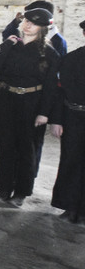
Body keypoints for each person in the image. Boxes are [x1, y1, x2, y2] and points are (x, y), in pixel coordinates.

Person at [0, 8, 60, 207]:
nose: (28, 25)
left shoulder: (49, 53)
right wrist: (6, 46)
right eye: (27, 21)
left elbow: (51, 87)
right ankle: (4, 187)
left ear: (43, 28)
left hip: (32, 101)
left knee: (27, 149)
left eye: (34, 23)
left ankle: (21, 191)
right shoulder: (12, 45)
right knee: (5, 145)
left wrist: (44, 113)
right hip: (7, 98)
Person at [50, 19, 85, 223]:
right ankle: (70, 206)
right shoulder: (71, 59)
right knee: (70, 162)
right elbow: (59, 92)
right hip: (73, 116)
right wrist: (57, 120)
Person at [2, 0, 67, 57]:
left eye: (30, 18)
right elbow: (7, 36)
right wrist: (15, 22)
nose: (27, 22)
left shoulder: (58, 42)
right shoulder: (28, 34)